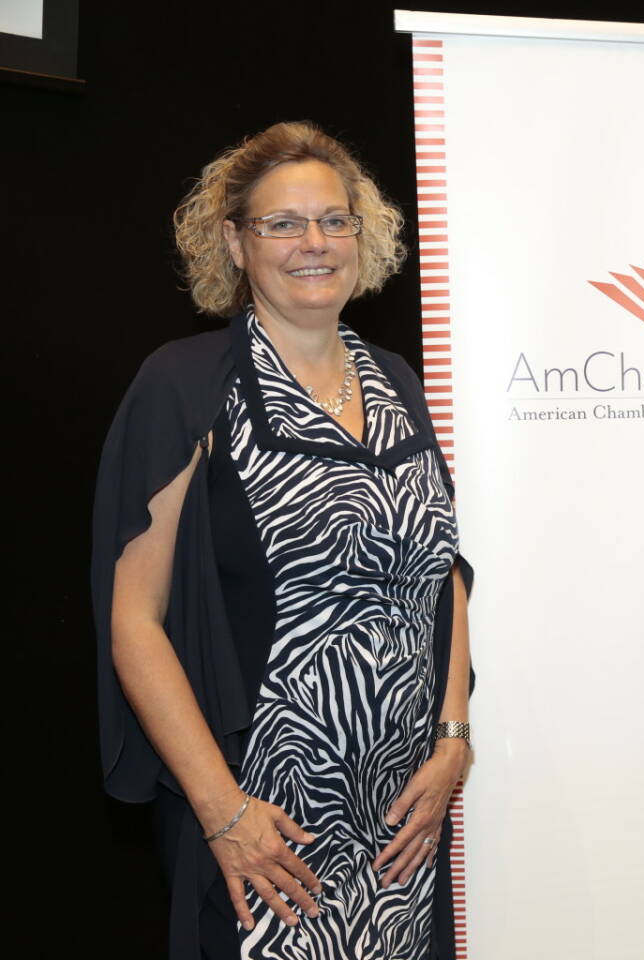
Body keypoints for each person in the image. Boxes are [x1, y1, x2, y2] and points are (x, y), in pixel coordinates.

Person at [92, 121, 472, 960]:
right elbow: (135, 622)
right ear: (235, 241)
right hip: (264, 831)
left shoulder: (398, 383)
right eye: (283, 223)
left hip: (398, 827)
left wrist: (452, 742)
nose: (315, 243)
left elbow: (439, 569)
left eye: (335, 221)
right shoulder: (185, 386)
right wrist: (222, 812)